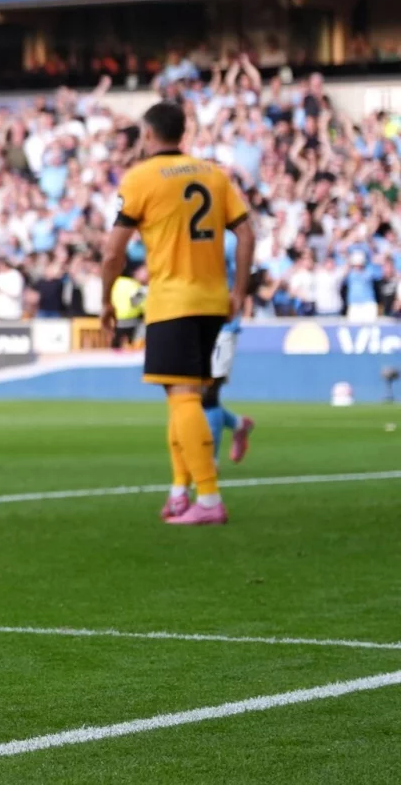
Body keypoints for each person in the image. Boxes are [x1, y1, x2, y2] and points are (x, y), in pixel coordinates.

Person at [101, 102, 253, 526]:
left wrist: (105, 299)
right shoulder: (213, 174)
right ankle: (178, 493)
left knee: (184, 397)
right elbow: (246, 232)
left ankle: (209, 499)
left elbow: (113, 252)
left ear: (148, 134)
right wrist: (239, 290)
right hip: (213, 300)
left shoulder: (141, 177)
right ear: (183, 132)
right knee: (180, 395)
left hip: (173, 301)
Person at [203, 228, 254, 464]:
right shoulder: (190, 232)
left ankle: (210, 463)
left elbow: (247, 277)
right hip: (196, 322)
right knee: (192, 395)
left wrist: (236, 302)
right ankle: (238, 425)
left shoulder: (229, 240)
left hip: (223, 324)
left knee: (208, 393)